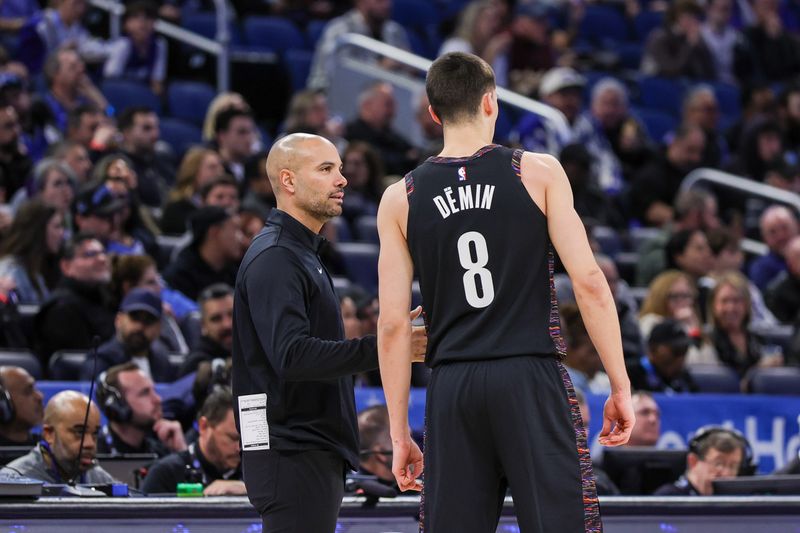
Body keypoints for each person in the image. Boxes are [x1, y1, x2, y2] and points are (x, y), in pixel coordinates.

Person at [377, 52, 633, 532]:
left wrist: (398, 435)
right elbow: (592, 284)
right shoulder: (536, 172)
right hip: (529, 372)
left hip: (453, 383)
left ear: (433, 113)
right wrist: (619, 385)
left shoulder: (400, 197)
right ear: (491, 103)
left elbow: (393, 326)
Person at [231, 132, 426, 533]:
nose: (342, 179)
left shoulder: (300, 253)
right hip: (292, 453)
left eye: (339, 168)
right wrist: (389, 346)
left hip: (303, 451)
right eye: (326, 169)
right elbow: (292, 356)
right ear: (288, 181)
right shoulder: (277, 257)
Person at [141, 386, 244, 495]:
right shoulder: (165, 474)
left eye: (245, 441)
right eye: (233, 438)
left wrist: (246, 489)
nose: (239, 448)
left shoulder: (254, 471)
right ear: (203, 426)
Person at [2, 390, 115, 484]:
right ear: (49, 434)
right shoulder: (14, 480)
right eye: (79, 432)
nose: (90, 443)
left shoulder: (97, 477)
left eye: (95, 433)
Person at [79, 287, 175, 383]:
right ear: (118, 320)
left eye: (148, 320)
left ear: (159, 328)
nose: (140, 326)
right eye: (134, 318)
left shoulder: (162, 361)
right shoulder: (100, 362)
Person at [95, 362, 186, 457]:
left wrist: (181, 451)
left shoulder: (160, 451)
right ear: (117, 406)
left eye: (153, 390)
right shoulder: (95, 454)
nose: (158, 399)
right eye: (145, 393)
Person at [654, 426, 749, 495]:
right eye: (719, 464)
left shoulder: (734, 504)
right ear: (693, 461)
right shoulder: (669, 497)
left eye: (733, 466)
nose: (726, 474)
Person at [627, 320, 698, 393]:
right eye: (677, 351)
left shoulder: (685, 379)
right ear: (653, 349)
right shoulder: (630, 374)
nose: (680, 358)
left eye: (685, 350)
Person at [179, 283, 233, 377]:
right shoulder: (194, 366)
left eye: (232, 314)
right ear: (203, 325)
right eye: (216, 319)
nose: (227, 325)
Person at [0, 366, 44, 447]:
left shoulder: (48, 449)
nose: (40, 396)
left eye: (35, 389)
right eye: (28, 391)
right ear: (2, 402)